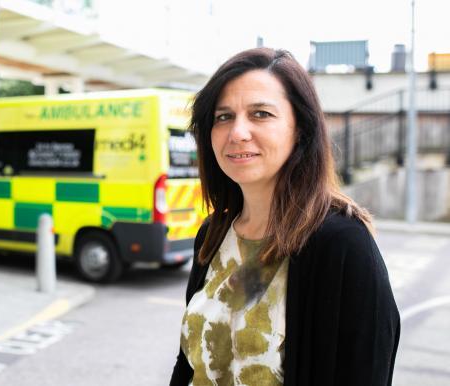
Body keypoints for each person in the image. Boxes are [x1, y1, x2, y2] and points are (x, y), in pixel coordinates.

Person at [169, 48, 400, 386]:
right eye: (223, 116)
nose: (237, 132)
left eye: (260, 114)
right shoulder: (213, 233)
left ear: (301, 130)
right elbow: (188, 360)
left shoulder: (342, 244)